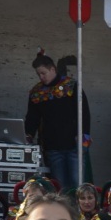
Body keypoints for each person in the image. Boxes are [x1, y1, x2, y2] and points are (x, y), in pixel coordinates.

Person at [25, 48, 91, 190]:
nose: (41, 77)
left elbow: (84, 113)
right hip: (52, 146)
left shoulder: (71, 86)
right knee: (59, 186)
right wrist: (28, 135)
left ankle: (78, 212)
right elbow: (32, 118)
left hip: (74, 145)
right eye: (38, 74)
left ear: (53, 69)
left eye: (43, 73)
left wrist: (84, 135)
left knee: (77, 184)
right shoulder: (37, 92)